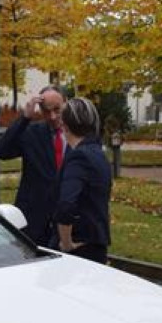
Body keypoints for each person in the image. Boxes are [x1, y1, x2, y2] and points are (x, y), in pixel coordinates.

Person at [0, 85, 67, 245]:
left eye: (57, 109)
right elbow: (1, 151)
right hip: (34, 220)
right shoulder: (32, 133)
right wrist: (25, 118)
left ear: (65, 104)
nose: (53, 116)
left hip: (66, 218)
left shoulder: (76, 134)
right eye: (46, 111)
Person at [54, 97, 112, 263]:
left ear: (64, 125)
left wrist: (66, 243)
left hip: (80, 247)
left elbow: (66, 205)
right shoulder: (98, 154)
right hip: (97, 242)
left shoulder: (78, 157)